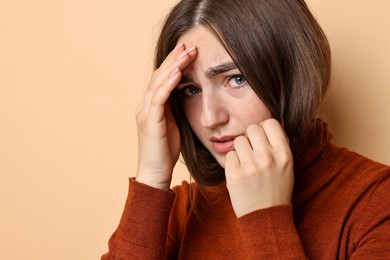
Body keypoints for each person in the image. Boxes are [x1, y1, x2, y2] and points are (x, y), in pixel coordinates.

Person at [102, 0, 390, 259]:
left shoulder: (378, 205)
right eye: (191, 89)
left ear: (291, 74)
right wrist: (152, 178)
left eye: (236, 79)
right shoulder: (186, 209)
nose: (209, 118)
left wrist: (265, 220)